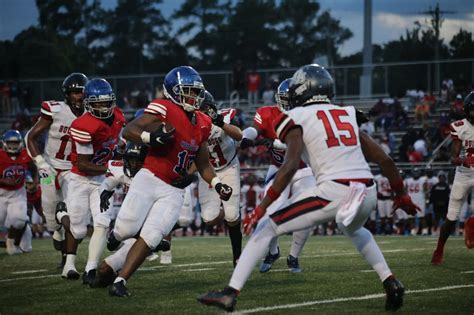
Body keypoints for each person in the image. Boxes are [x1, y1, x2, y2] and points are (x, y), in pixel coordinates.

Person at [197, 64, 420, 312]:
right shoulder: (345, 112)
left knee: (266, 226)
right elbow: (385, 159)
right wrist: (401, 194)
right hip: (367, 190)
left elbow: (290, 165)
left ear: (300, 91)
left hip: (335, 190)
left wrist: (261, 208)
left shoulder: (297, 117)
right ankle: (391, 282)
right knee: (353, 229)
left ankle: (230, 293)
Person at [107, 66, 233, 297]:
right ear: (174, 91)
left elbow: (203, 163)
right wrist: (149, 137)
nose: (195, 97)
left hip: (174, 188)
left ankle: (120, 281)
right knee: (126, 229)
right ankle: (115, 236)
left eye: (196, 92)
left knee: (154, 235)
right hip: (150, 177)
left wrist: (216, 184)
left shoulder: (204, 122)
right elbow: (129, 130)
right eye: (189, 91)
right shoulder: (164, 107)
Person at [240, 78, 315, 273]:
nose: (289, 103)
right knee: (269, 211)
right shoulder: (266, 113)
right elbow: (254, 130)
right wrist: (244, 136)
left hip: (303, 168)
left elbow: (298, 146)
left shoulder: (306, 116)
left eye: (292, 99)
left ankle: (294, 257)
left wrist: (272, 143)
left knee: (308, 212)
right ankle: (273, 252)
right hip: (278, 168)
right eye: (286, 99)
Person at [55, 78, 125, 280]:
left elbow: (119, 140)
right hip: (80, 178)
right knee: (77, 232)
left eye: (106, 102)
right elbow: (84, 164)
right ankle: (62, 215)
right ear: (88, 104)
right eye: (98, 103)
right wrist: (111, 166)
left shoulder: (118, 116)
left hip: (101, 179)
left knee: (103, 222)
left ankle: (90, 269)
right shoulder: (83, 124)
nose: (104, 107)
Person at [25, 72, 88, 269]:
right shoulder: (55, 110)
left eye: (82, 92)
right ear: (67, 94)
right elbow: (31, 137)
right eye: (75, 92)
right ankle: (56, 230)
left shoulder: (91, 113)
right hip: (49, 168)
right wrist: (40, 162)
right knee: (50, 214)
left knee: (74, 212)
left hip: (74, 169)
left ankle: (67, 258)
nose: (79, 96)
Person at [197, 90, 243, 266]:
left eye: (205, 108)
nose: (203, 112)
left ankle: (237, 256)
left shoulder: (223, 118)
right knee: (209, 219)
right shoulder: (192, 126)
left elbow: (239, 135)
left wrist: (220, 123)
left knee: (232, 216)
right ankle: (227, 210)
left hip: (229, 167)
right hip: (208, 171)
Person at [432, 92, 474, 264]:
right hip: (463, 175)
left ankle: (471, 223)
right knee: (451, 217)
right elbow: (453, 158)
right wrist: (464, 159)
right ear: (467, 110)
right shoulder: (460, 127)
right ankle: (439, 249)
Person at [0, 130, 37, 255]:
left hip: (18, 192)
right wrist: (3, 181)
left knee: (19, 220)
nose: (13, 146)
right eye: (10, 143)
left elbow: (33, 168)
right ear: (4, 143)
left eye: (16, 143)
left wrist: (35, 182)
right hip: (1, 193)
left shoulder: (25, 155)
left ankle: (12, 242)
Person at [405, 168, 428, 235]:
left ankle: (424, 230)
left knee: (422, 216)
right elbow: (405, 191)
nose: (416, 174)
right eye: (414, 172)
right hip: (411, 200)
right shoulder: (408, 180)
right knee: (411, 217)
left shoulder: (423, 179)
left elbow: (426, 191)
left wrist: (427, 200)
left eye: (417, 172)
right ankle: (413, 230)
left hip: (420, 200)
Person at [429, 171, 450, 235]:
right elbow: (432, 195)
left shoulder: (447, 186)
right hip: (436, 205)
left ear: (445, 178)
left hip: (444, 205)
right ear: (438, 178)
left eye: (443, 177)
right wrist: (432, 202)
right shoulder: (435, 186)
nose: (441, 178)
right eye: (440, 177)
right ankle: (434, 231)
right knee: (436, 219)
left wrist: (445, 203)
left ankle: (445, 231)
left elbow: (448, 196)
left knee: (445, 218)